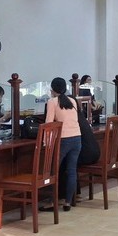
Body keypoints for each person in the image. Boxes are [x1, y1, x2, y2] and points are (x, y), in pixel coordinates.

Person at [42, 77, 82, 212]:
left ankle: (52, 202)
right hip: (77, 138)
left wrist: (46, 143)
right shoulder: (72, 101)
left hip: (63, 140)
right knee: (71, 171)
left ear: (52, 89)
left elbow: (49, 124)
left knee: (53, 171)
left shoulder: (52, 102)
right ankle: (68, 202)